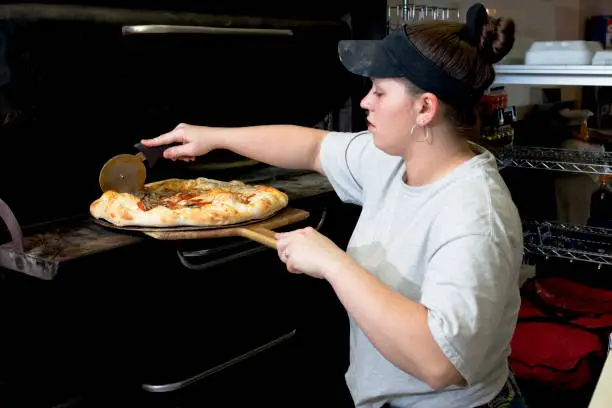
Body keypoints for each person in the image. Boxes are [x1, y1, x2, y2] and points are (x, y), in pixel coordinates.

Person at [142, 3, 528, 407]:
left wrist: (333, 263)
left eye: (379, 91)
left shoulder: (475, 213)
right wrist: (212, 136)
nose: (365, 102)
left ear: (425, 108)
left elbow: (440, 362)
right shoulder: (394, 160)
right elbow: (311, 146)